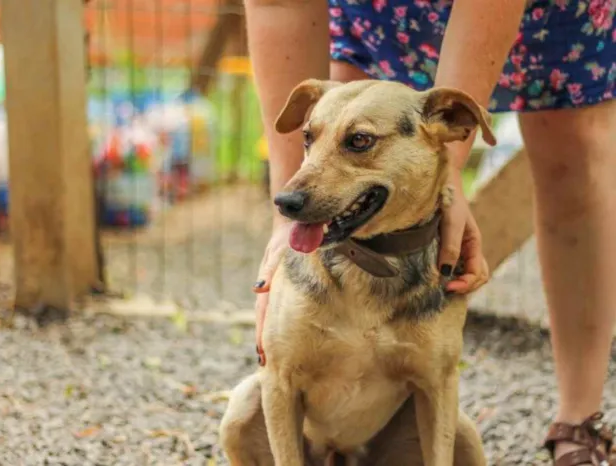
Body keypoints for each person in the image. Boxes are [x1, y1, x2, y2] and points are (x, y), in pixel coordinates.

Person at [245, 0, 616, 464]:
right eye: (310, 138)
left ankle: (580, 418)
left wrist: (449, 173)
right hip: (382, 12)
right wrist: (290, 208)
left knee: (573, 150)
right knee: (352, 104)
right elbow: (278, 5)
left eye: (358, 144)